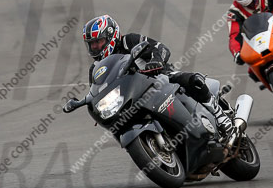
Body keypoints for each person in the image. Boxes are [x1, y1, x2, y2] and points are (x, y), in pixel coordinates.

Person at [82, 15, 235, 141]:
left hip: (159, 77)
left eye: (98, 42)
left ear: (111, 35)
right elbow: (95, 91)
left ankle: (221, 117)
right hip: (131, 96)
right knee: (116, 127)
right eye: (92, 44)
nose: (95, 47)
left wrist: (155, 61)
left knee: (191, 80)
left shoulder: (129, 41)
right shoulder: (95, 69)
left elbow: (160, 48)